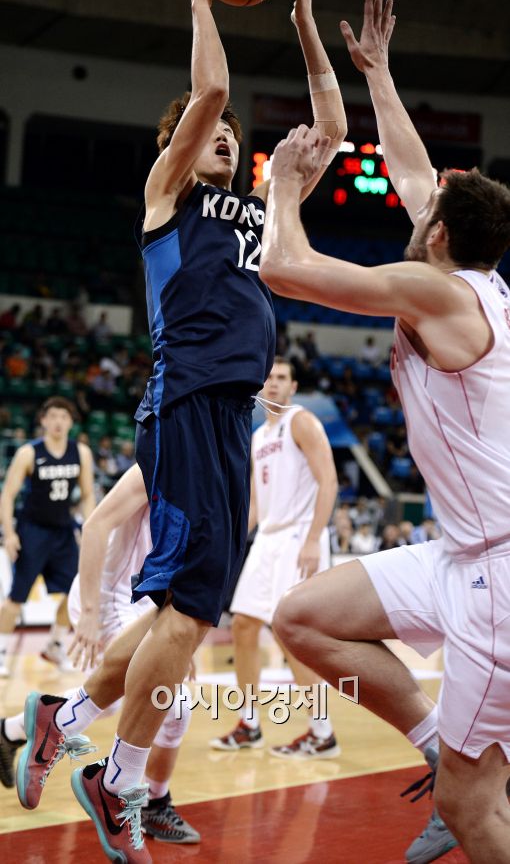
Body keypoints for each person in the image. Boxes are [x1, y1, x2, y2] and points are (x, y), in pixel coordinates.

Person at [15, 0, 346, 862]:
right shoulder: (167, 200)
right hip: (190, 397)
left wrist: (307, 24)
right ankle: (115, 781)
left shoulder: (266, 204)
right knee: (194, 618)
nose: (225, 133)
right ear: (177, 150)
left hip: (228, 417)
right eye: (209, 131)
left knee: (178, 616)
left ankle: (61, 717)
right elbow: (205, 96)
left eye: (235, 131)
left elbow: (326, 124)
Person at [259, 0, 510, 864]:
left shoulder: (435, 290)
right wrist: (380, 74)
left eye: (426, 211)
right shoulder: (466, 280)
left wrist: (281, 187)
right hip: (461, 554)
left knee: (474, 809)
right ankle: (438, 741)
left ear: (437, 236)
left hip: (500, 576)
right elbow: (411, 171)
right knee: (302, 617)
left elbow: (286, 270)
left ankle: (458, 780)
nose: (415, 205)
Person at [8, 464, 199, 844]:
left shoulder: (207, 472)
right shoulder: (157, 463)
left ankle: (12, 730)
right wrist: (91, 615)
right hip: (109, 595)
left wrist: (178, 639)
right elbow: (95, 526)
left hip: (146, 603)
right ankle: (151, 804)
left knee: (130, 703)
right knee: (169, 705)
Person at [211, 358, 338, 757]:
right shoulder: (258, 434)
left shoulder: (300, 421)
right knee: (244, 627)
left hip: (300, 537)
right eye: (267, 378)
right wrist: (233, 540)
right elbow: (255, 501)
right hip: (268, 538)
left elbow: (328, 480)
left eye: (281, 378)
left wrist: (315, 538)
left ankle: (322, 733)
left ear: (294, 386)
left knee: (291, 637)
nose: (273, 385)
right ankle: (249, 724)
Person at [0, 396, 95, 676]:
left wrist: (89, 527)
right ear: (43, 420)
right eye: (52, 416)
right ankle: (2, 652)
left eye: (63, 417)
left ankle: (54, 645)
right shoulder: (29, 453)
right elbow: (7, 495)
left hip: (63, 532)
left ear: (71, 422)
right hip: (33, 531)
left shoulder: (81, 453)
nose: (58, 422)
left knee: (74, 593)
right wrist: (10, 533)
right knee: (16, 598)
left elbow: (88, 494)